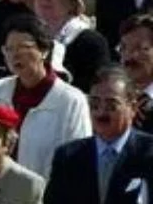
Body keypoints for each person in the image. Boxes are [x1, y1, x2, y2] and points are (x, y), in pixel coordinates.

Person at [0, 13, 91, 179]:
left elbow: (78, 162)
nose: (15, 55)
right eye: (9, 49)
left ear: (44, 50)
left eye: (23, 48)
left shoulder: (71, 100)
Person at [39, 66, 153, 204]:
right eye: (95, 104)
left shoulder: (149, 152)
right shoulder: (68, 157)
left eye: (111, 105)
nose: (101, 113)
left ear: (133, 108)